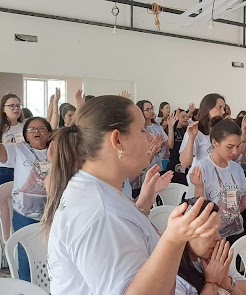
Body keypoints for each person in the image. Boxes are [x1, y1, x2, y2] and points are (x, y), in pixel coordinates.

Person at [43, 95, 219, 294]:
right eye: (142, 130)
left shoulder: (98, 190)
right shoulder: (102, 213)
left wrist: (141, 207)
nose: (150, 137)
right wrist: (174, 239)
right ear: (117, 140)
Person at [186, 117, 246, 239]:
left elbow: (239, 207)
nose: (235, 152)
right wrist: (199, 187)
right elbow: (197, 210)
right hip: (211, 235)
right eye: (229, 147)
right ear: (215, 143)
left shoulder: (236, 169)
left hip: (235, 231)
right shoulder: (201, 167)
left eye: (237, 146)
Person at [0, 117, 52, 281]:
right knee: (25, 255)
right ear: (26, 135)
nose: (37, 132)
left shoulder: (58, 150)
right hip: (24, 214)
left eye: (42, 128)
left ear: (49, 133)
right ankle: (26, 287)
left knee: (52, 253)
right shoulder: (18, 150)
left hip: (52, 214)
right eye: (32, 129)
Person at [175, 201, 246, 294]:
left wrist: (225, 281)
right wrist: (212, 283)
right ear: (185, 233)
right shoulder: (172, 276)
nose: (218, 237)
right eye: (209, 231)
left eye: (218, 230)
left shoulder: (213, 259)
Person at [180, 94, 226, 168]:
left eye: (224, 108)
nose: (223, 112)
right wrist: (191, 138)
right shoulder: (196, 131)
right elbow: (185, 163)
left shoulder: (223, 131)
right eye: (219, 107)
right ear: (208, 109)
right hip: (200, 176)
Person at [0, 94, 25, 186]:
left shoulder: (25, 127)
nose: (16, 108)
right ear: (3, 109)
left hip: (23, 168)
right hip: (4, 169)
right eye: (11, 106)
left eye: (18, 106)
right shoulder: (1, 128)